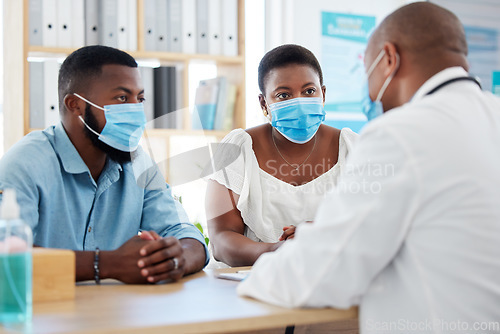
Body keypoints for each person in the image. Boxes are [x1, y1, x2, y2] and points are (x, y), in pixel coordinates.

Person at [238, 3, 500, 333]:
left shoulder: (400, 133)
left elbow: (322, 272)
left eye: (367, 72)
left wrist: (253, 279)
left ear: (388, 59)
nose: (370, 89)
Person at [0, 45, 208, 284]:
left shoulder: (140, 164)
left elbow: (186, 234)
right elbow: (7, 256)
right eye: (122, 98)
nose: (136, 111)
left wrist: (175, 259)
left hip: (115, 314)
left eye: (139, 99)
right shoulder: (24, 164)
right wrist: (107, 264)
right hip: (42, 315)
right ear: (74, 105)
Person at [205, 44, 357, 267]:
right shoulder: (237, 149)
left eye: (309, 91)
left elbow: (378, 226)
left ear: (323, 94)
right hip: (249, 284)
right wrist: (277, 250)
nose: (299, 101)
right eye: (283, 95)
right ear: (264, 103)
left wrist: (322, 234)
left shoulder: (353, 148)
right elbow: (220, 240)